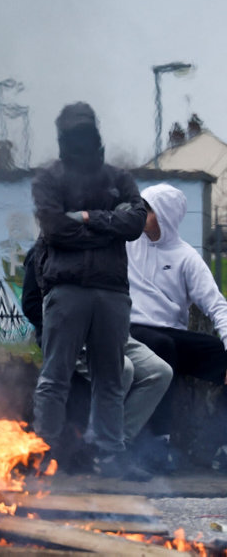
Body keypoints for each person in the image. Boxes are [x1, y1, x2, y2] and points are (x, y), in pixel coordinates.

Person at [31, 102, 149, 479]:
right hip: (66, 290)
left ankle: (109, 455)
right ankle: (44, 454)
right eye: (74, 131)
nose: (80, 138)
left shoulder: (119, 177)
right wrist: (105, 229)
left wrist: (85, 217)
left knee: (110, 377)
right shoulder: (48, 179)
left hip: (110, 292)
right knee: (55, 376)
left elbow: (136, 221)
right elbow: (53, 229)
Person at [22, 238, 172, 473]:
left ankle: (115, 445)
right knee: (122, 370)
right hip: (67, 333)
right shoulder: (44, 250)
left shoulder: (104, 250)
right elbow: (31, 305)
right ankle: (98, 450)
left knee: (159, 372)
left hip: (111, 330)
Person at [127, 183, 227, 470]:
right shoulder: (126, 244)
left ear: (165, 215)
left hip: (170, 332)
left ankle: (215, 443)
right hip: (133, 330)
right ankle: (157, 444)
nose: (139, 213)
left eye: (147, 209)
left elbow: (217, 305)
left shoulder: (186, 257)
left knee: (220, 355)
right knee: (162, 346)